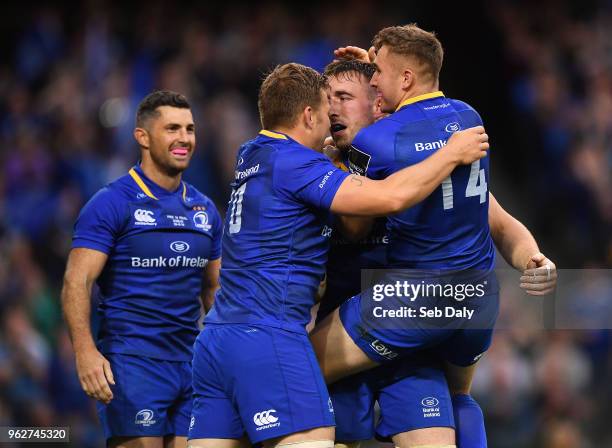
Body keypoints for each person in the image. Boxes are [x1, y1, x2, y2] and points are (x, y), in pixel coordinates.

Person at [187, 62, 488, 448]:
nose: (332, 117)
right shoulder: (302, 165)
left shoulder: (253, 154)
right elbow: (391, 198)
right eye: (329, 105)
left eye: (343, 101)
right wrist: (450, 153)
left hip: (218, 338)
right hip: (274, 334)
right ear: (308, 114)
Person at [309, 25, 557, 448]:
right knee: (456, 399)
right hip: (475, 298)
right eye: (329, 99)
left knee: (298, 366)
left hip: (411, 302)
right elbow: (496, 219)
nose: (334, 108)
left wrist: (332, 170)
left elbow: (362, 216)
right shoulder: (466, 121)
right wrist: (534, 256)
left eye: (347, 96)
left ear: (394, 89)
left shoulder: (372, 144)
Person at [61, 90, 223, 448]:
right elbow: (77, 280)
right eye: (172, 129)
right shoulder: (110, 203)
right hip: (133, 366)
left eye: (190, 129)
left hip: (191, 365)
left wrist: (228, 352)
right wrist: (85, 352)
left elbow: (214, 290)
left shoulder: (205, 210)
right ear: (143, 137)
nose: (184, 138)